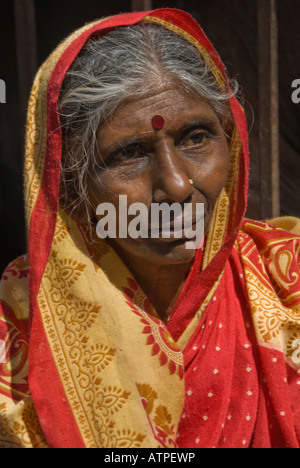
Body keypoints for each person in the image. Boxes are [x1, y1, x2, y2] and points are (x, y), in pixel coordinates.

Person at [0, 8, 299, 449]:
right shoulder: (16, 331)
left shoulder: (286, 281)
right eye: (130, 153)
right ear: (71, 188)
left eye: (196, 137)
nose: (177, 185)